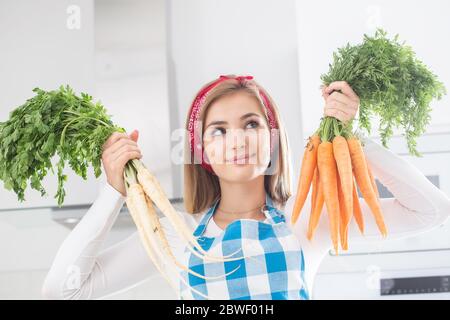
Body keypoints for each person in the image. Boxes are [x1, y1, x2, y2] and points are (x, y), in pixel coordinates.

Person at [42, 75, 450, 300]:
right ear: (202, 151)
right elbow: (61, 291)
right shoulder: (173, 235)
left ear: (272, 140)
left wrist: (350, 139)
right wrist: (114, 192)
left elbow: (430, 211)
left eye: (251, 124)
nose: (237, 140)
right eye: (218, 130)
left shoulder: (309, 218)